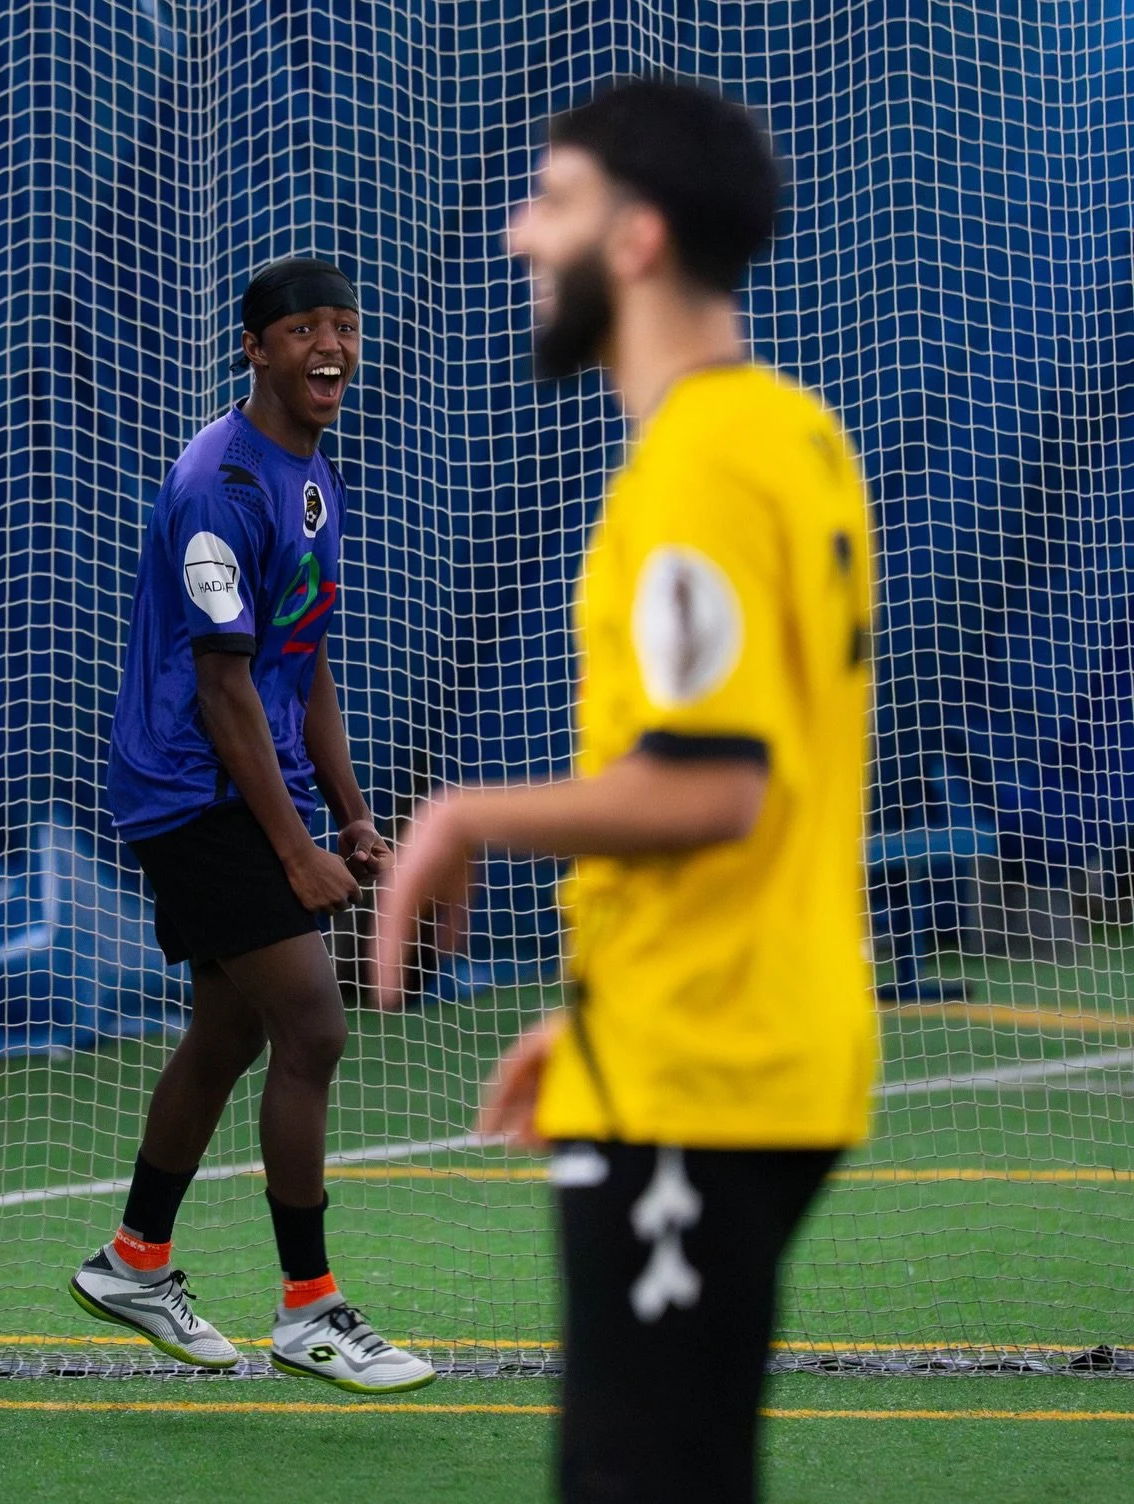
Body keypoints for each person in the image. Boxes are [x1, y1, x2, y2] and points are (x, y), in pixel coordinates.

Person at [371, 81, 877, 1499]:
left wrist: (465, 816)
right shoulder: (794, 434)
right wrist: (601, 1012)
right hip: (718, 1042)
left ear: (637, 238)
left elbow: (714, 791)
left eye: (554, 200)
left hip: (703, 1079)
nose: (522, 236)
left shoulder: (699, 468)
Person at [72, 256, 434, 1394]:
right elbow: (226, 690)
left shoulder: (313, 479)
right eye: (303, 331)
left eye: (345, 326)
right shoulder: (217, 485)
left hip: (252, 784)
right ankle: (310, 1310)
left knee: (232, 1034)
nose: (330, 347)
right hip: (192, 787)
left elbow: (302, 655)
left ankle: (135, 1261)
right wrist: (295, 849)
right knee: (314, 1029)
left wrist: (355, 814)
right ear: (256, 350)